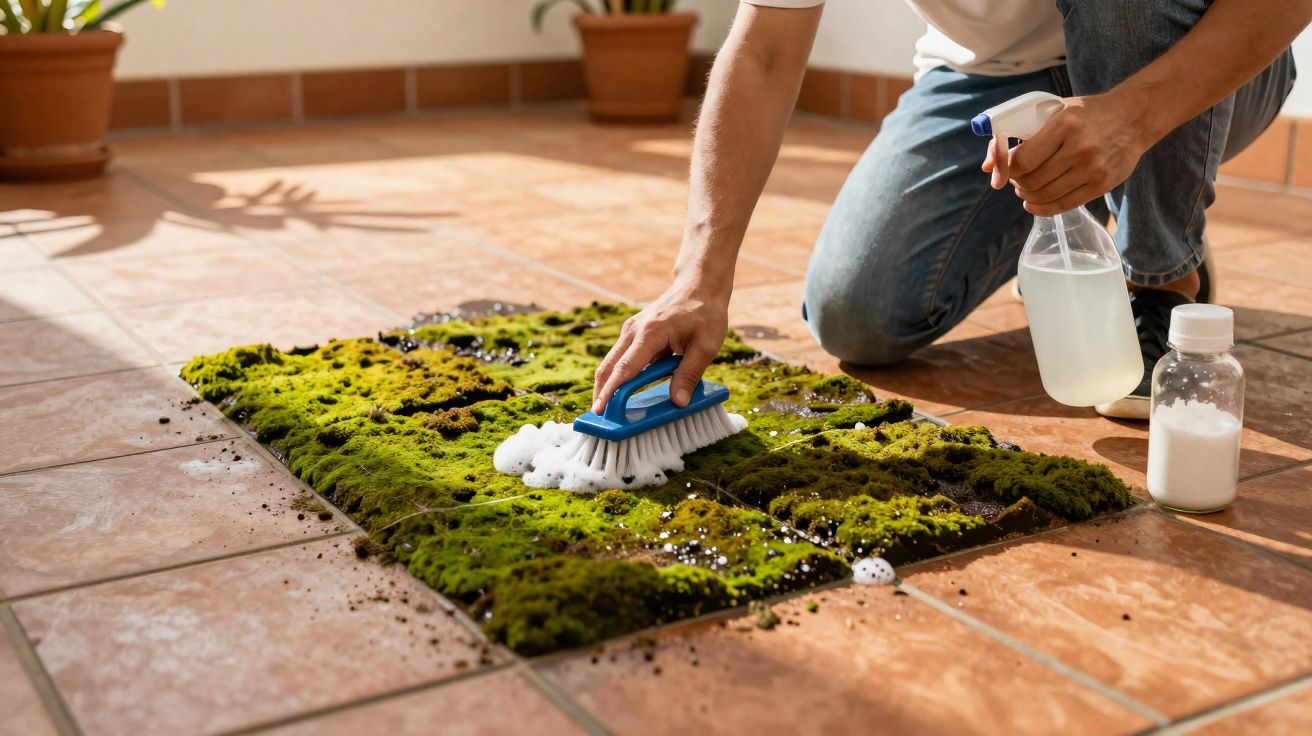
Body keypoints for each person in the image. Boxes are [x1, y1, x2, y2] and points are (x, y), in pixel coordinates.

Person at [590, 0, 1306, 420]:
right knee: (855, 314)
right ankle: (1091, 214)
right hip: (989, 83)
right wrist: (700, 275)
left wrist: (1131, 120)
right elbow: (766, 53)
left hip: (1173, 47)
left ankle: (1162, 267)